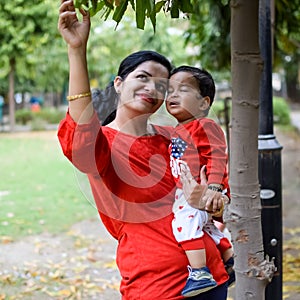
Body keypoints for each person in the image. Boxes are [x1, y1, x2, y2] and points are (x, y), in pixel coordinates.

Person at [57, 1, 229, 299]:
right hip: (157, 287)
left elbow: (220, 192)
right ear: (119, 84)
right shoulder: (104, 144)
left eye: (163, 86)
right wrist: (76, 51)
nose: (153, 89)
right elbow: (81, 135)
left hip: (213, 279)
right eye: (143, 77)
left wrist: (212, 200)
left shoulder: (175, 137)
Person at [166, 66, 235, 297]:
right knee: (205, 228)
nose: (172, 95)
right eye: (169, 90)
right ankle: (229, 258)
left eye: (182, 90)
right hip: (191, 191)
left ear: (204, 103)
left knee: (184, 225)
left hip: (203, 191)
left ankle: (199, 272)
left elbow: (217, 155)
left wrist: (214, 188)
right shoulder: (179, 128)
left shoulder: (205, 125)